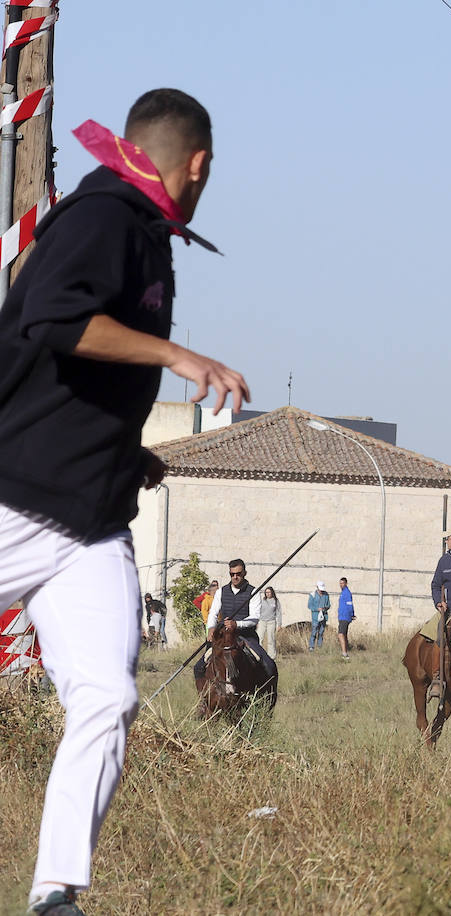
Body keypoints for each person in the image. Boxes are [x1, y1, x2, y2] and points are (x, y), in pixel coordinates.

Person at [0, 88, 248, 915]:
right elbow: (53, 319)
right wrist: (180, 355)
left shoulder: (145, 232)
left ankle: (54, 894)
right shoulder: (104, 216)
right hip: (16, 497)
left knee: (107, 696)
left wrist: (124, 448)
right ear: (198, 165)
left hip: (92, 522)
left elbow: (78, 376)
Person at [195, 559, 277, 685]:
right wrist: (211, 627)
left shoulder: (253, 592)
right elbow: (213, 613)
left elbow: (254, 618)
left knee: (269, 666)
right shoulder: (221, 592)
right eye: (232, 574)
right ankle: (203, 700)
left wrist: (237, 624)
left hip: (245, 636)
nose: (235, 577)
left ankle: (265, 697)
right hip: (223, 636)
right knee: (198, 667)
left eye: (238, 574)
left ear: (244, 573)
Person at [258, 586, 281, 658]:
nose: (267, 594)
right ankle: (258, 654)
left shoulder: (276, 601)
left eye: (269, 592)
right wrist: (256, 622)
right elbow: (258, 611)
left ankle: (272, 656)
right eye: (266, 592)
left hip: (271, 622)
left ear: (272, 592)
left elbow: (279, 613)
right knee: (259, 638)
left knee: (271, 639)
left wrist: (279, 624)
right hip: (262, 621)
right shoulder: (263, 601)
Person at [307, 582, 330, 651]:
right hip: (315, 617)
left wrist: (325, 608)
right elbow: (309, 606)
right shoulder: (312, 595)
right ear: (317, 587)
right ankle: (311, 646)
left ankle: (320, 646)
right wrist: (317, 609)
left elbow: (328, 605)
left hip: (323, 616)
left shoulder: (326, 595)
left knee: (321, 632)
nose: (321, 591)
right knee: (314, 632)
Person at [336, 577, 354, 659]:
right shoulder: (342, 592)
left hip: (345, 616)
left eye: (342, 583)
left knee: (341, 634)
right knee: (344, 635)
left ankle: (344, 653)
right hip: (342, 616)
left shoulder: (347, 593)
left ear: (346, 583)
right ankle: (345, 651)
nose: (341, 585)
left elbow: (350, 604)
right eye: (340, 583)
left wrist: (351, 614)